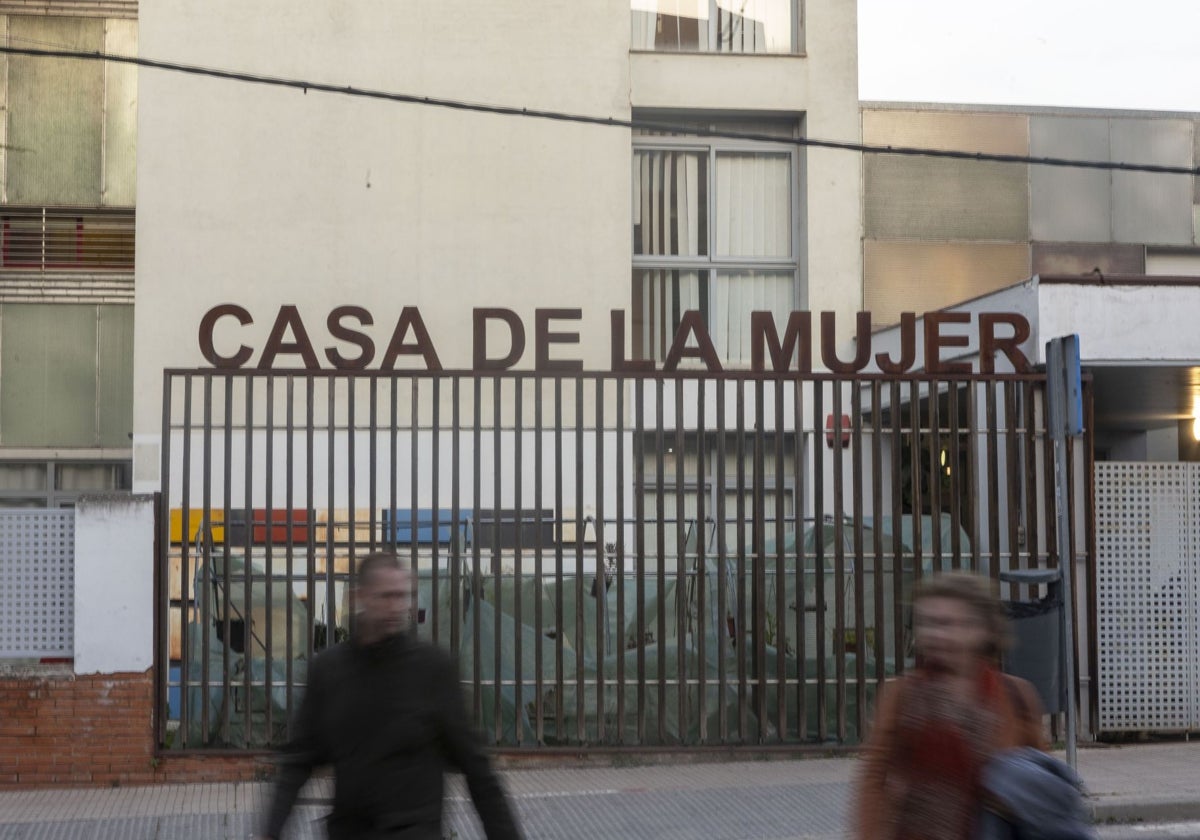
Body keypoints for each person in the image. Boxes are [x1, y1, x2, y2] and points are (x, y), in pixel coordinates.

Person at [259, 551, 521, 840]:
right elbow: (299, 760)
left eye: (403, 596)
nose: (397, 607)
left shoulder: (432, 670)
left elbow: (477, 769)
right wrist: (270, 832)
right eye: (387, 596)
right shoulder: (329, 671)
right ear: (360, 597)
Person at [852, 571, 1046, 840]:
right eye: (927, 623)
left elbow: (1041, 791)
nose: (934, 634)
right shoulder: (902, 694)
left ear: (982, 629)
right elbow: (874, 782)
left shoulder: (1017, 697)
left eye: (946, 623)